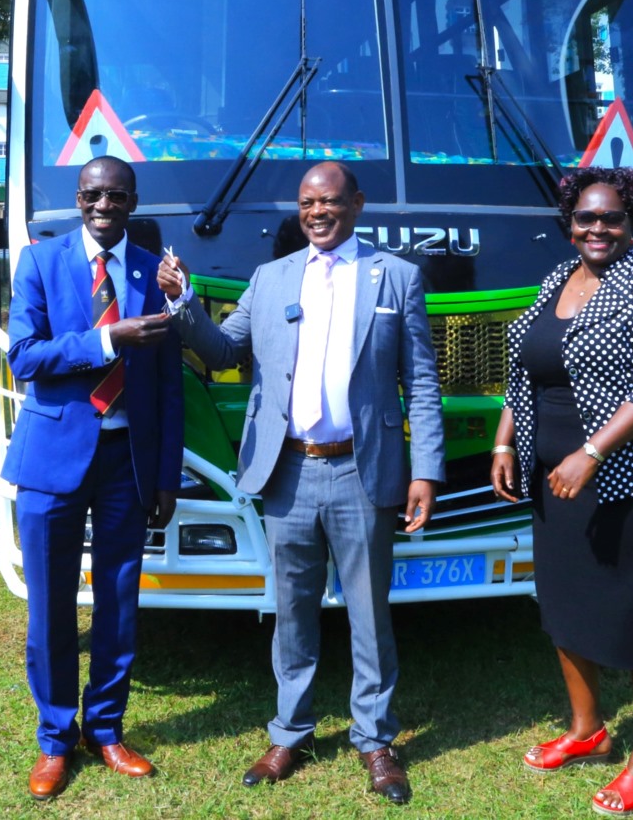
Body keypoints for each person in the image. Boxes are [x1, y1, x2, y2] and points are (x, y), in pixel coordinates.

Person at [156, 161, 444, 806]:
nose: (318, 212)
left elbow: (421, 381)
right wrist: (181, 302)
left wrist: (425, 469)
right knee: (292, 612)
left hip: (361, 470)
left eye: (331, 202)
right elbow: (225, 352)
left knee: (370, 614)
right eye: (309, 202)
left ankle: (374, 740)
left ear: (357, 205)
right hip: (286, 470)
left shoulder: (396, 277)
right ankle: (291, 731)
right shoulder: (271, 277)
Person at [489, 166, 633, 817]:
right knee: (565, 601)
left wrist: (591, 451)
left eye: (611, 217)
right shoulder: (560, 278)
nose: (597, 228)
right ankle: (587, 731)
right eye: (586, 217)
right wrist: (505, 441)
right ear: (570, 222)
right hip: (556, 478)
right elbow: (524, 365)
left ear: (631, 220)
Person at [1, 155, 183, 801]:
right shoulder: (40, 263)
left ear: (133, 201)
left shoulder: (153, 269)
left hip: (125, 465)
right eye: (93, 194)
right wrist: (108, 341)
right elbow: (25, 357)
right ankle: (55, 740)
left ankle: (105, 730)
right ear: (78, 199)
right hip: (52, 462)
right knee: (50, 606)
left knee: (118, 602)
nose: (104, 205)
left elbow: (167, 385)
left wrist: (165, 475)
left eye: (117, 195)